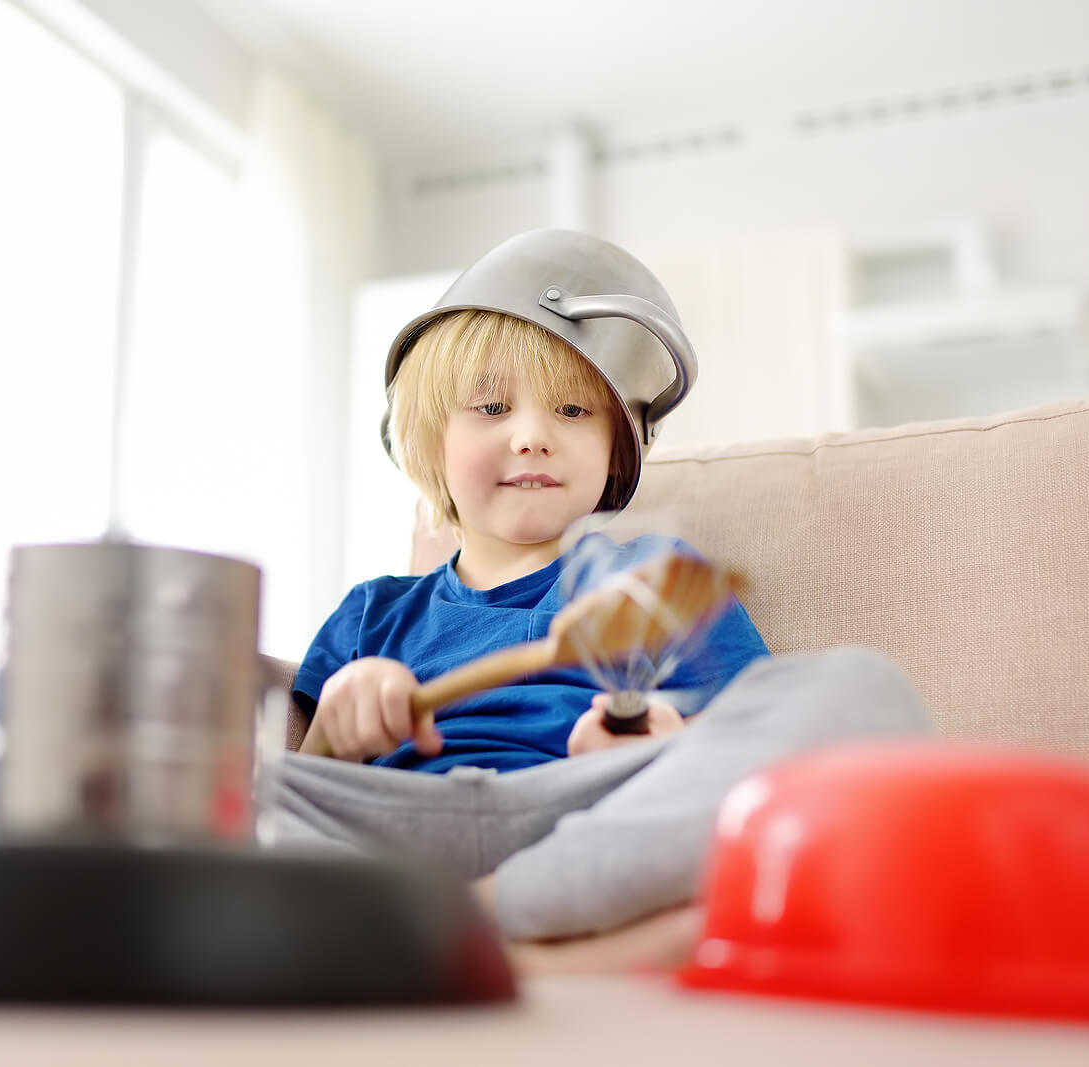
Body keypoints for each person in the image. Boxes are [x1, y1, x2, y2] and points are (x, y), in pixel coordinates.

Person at [277, 230, 930, 973]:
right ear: (430, 439)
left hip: (594, 821)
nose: (531, 437)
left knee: (863, 690)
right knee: (227, 784)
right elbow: (310, 782)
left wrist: (662, 746)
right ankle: (561, 947)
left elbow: (739, 748)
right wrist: (338, 724)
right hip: (392, 834)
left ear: (619, 447)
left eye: (573, 411)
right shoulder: (374, 611)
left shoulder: (656, 578)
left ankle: (483, 920)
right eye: (491, 406)